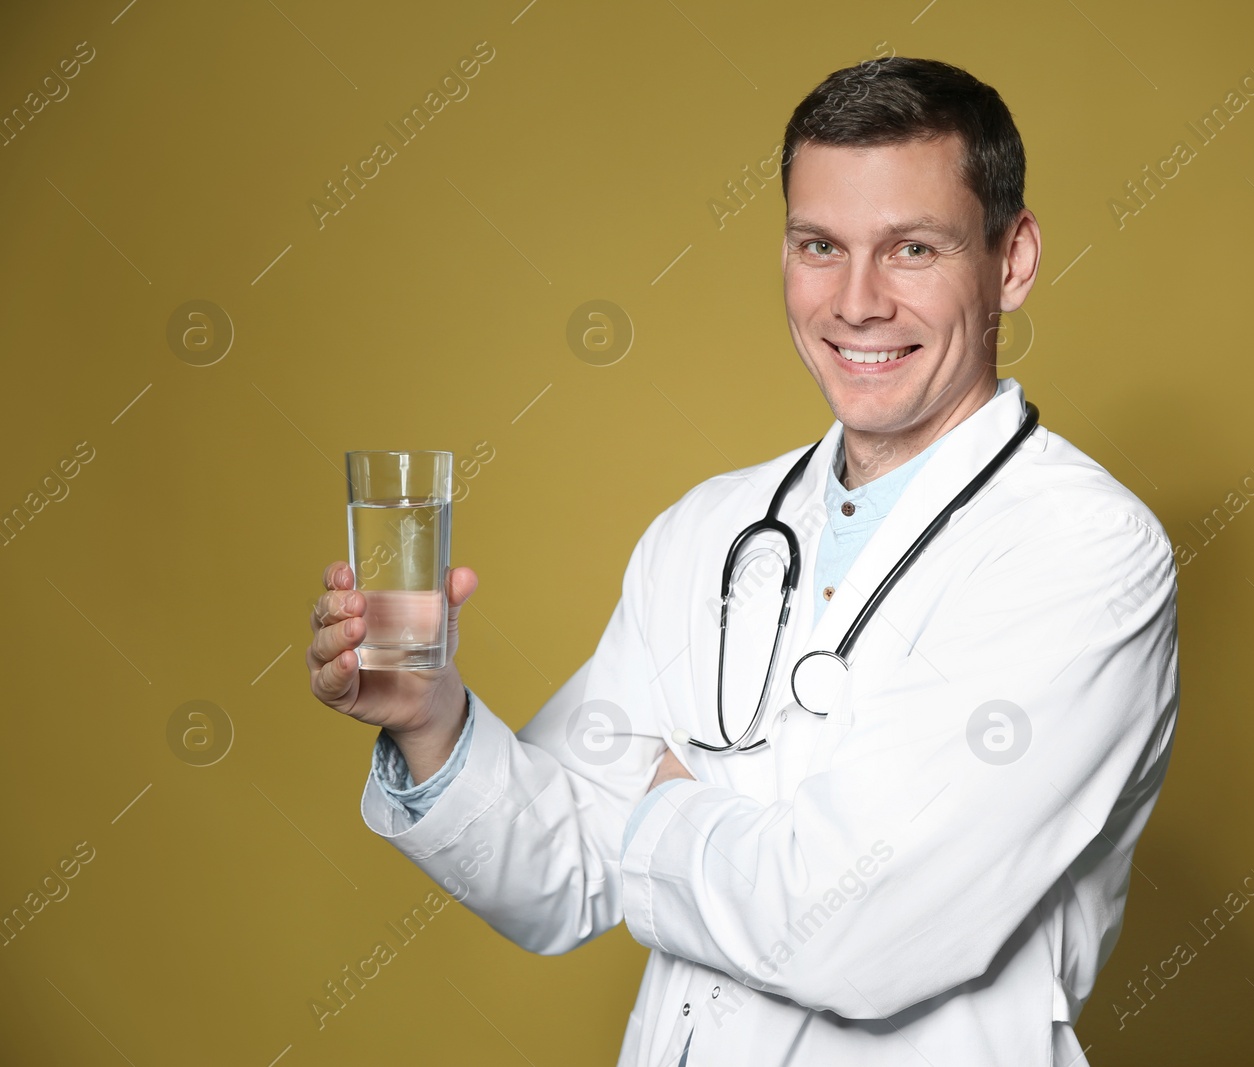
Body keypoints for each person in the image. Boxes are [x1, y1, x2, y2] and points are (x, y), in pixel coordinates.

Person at [306, 56, 1179, 1067]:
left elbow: (854, 930)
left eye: (911, 248)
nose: (856, 302)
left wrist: (663, 801)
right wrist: (432, 719)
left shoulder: (1082, 551)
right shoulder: (709, 530)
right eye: (820, 244)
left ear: (1011, 259)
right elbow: (563, 873)